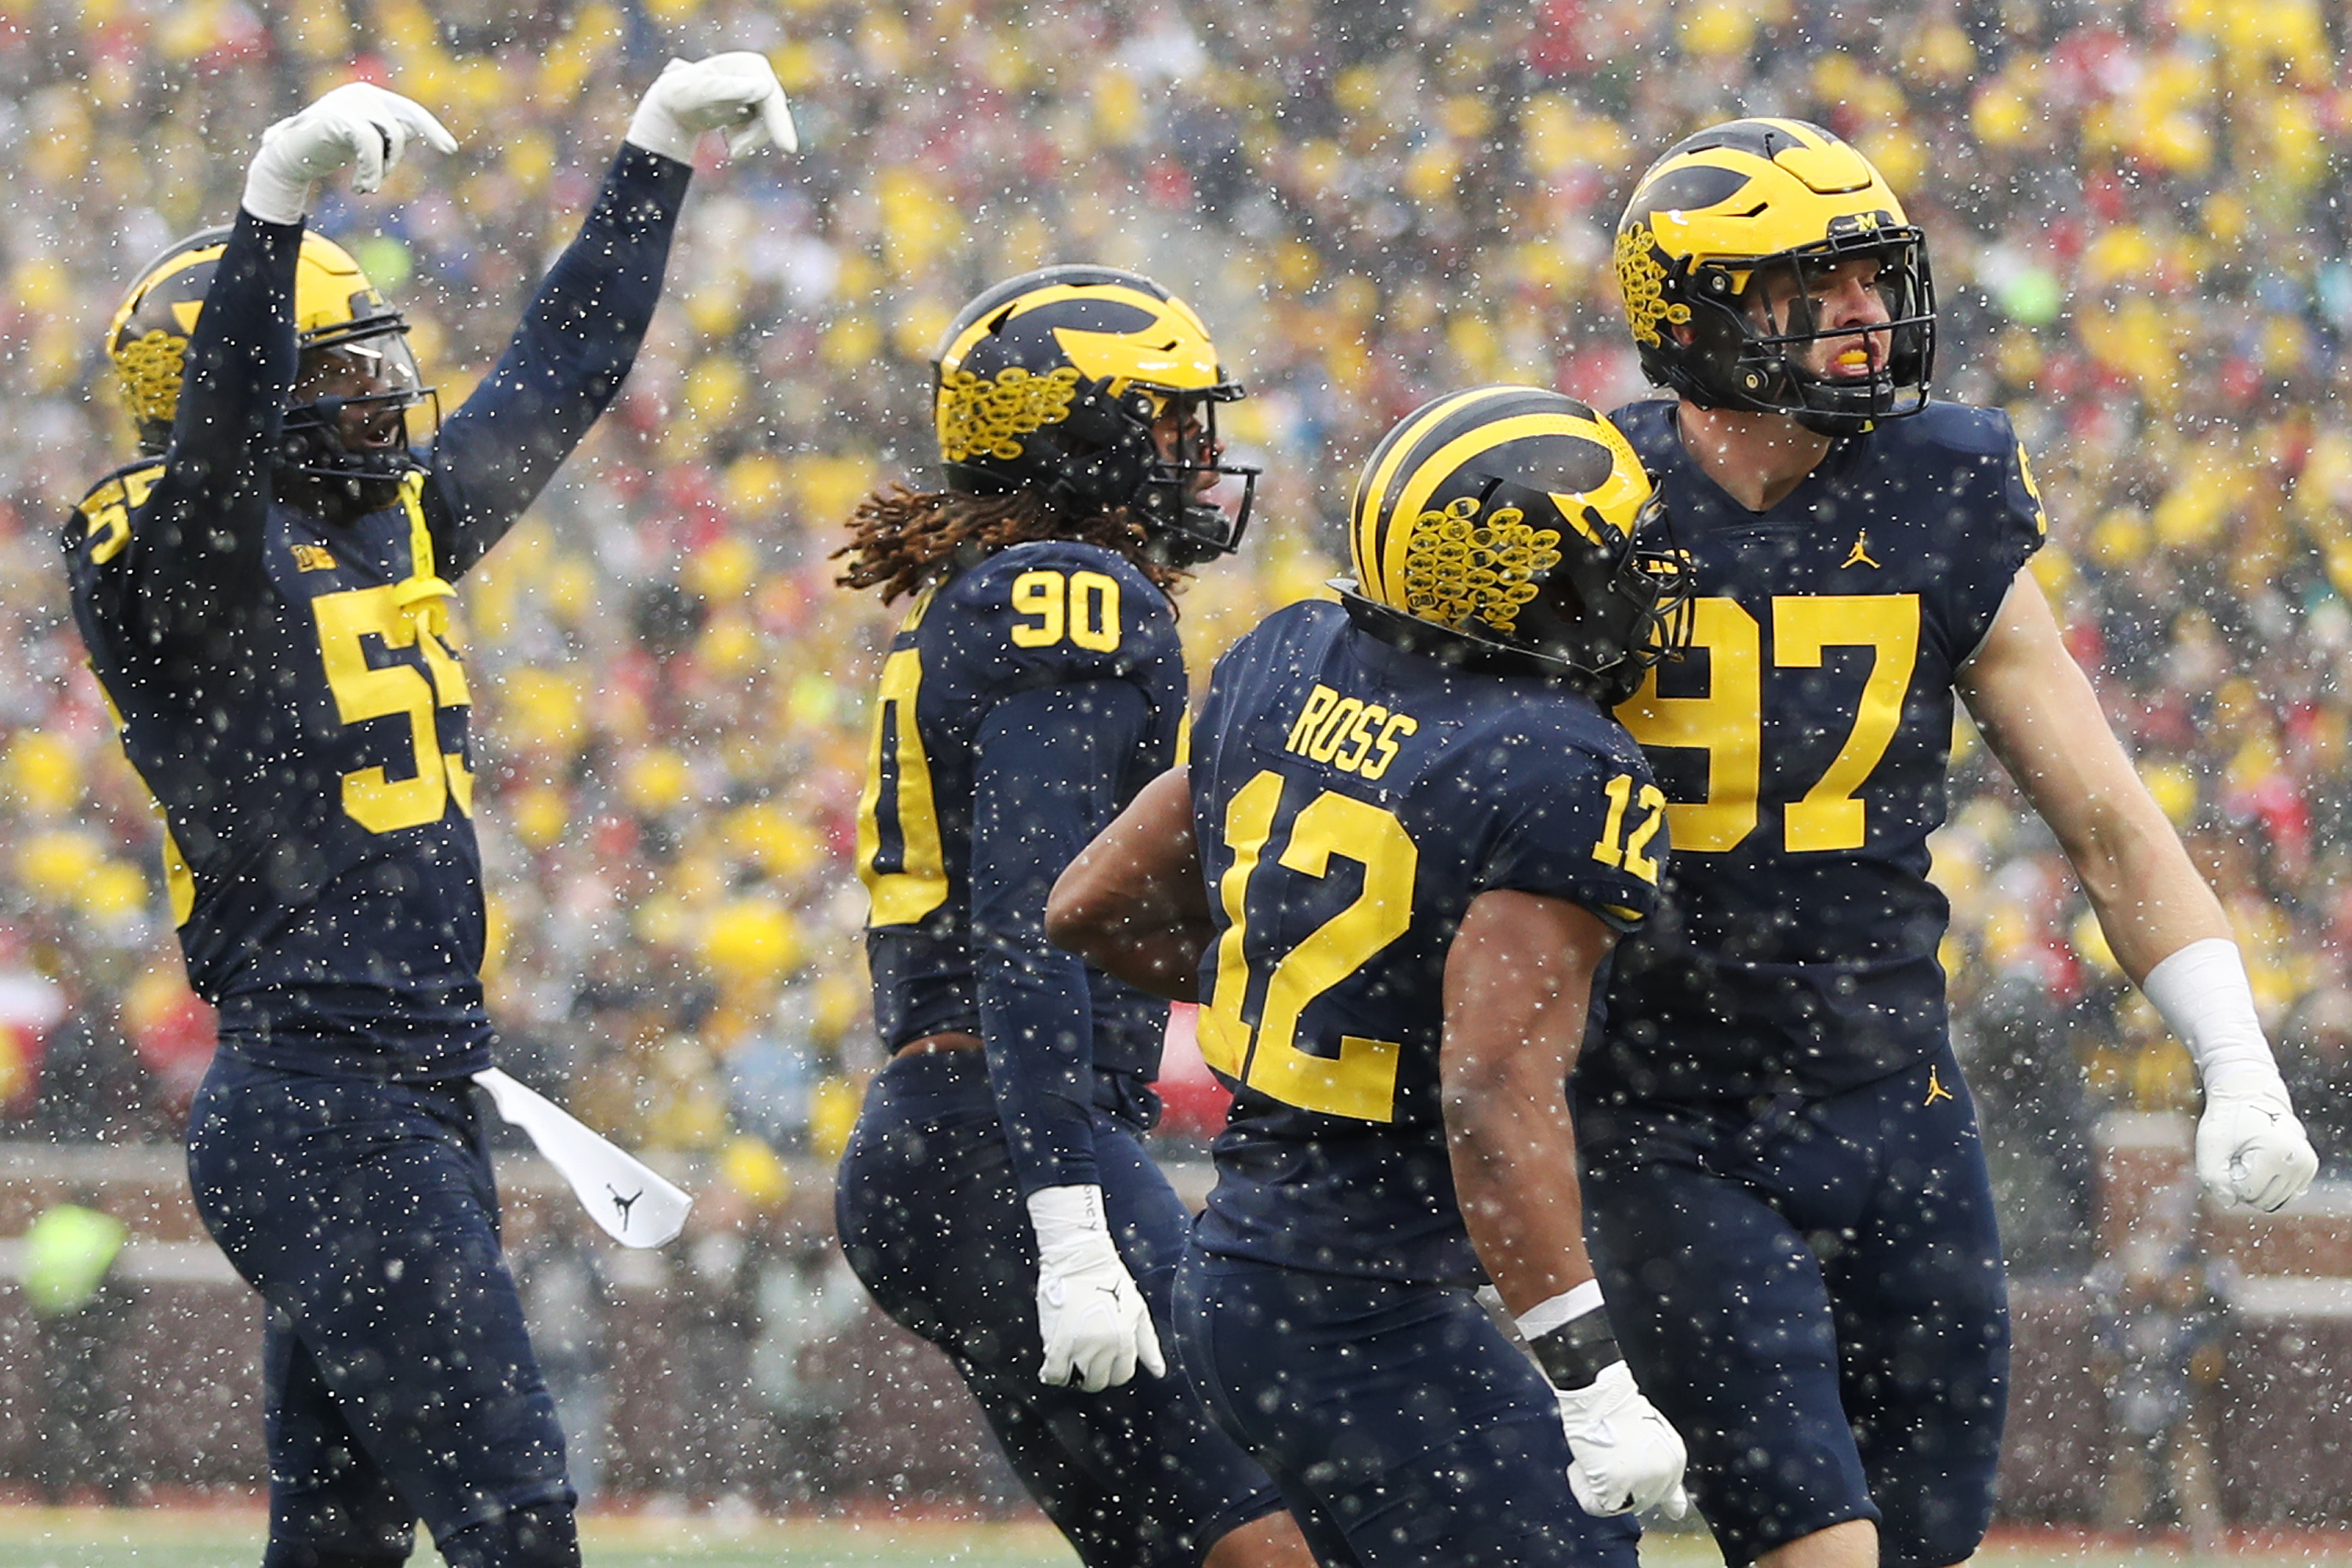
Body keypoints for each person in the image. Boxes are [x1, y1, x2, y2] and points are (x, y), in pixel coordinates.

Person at [64, 59, 797, 1568]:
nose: (379, 395)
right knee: (514, 1515)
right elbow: (206, 473)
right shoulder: (176, 561)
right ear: (247, 383)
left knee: (338, 1537)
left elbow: (559, 374)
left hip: (406, 1089)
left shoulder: (385, 523)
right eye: (333, 372)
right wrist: (270, 209)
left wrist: (654, 151)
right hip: (321, 1095)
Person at [1581, 116, 2322, 1568]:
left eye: (1876, 275)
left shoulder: (1944, 480)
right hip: (1663, 1103)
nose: (1871, 313)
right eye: (1823, 284)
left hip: (1892, 1095)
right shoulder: (1589, 507)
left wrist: (2234, 1056)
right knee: (1816, 1539)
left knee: (1929, 1535)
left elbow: (2106, 819)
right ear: (1706, 312)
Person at [1047, 384, 1696, 1566]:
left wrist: (1305, 995)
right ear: (1520, 573)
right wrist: (1593, 1383)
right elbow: (1491, 1095)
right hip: (1359, 1301)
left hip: (1238, 1269)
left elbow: (1087, 903)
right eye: (1621, 554)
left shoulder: (1291, 654)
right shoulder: (1559, 763)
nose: (1648, 580)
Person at [829, 265, 1311, 1568]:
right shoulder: (1071, 599)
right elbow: (1030, 926)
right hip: (1006, 1136)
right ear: (1079, 431)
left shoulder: (997, 594)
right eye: (1168, 424)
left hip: (951, 1135)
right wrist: (1066, 1218)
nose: (1201, 456)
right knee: (1278, 1538)